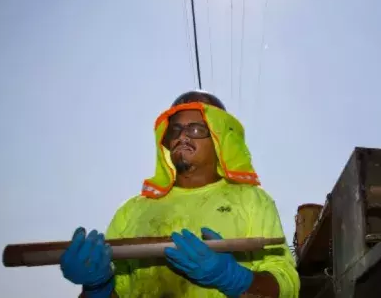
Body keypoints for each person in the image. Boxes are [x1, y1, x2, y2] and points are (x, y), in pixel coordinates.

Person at [59, 91, 300, 297]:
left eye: (196, 128)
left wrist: (234, 278)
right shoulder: (132, 210)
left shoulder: (252, 200)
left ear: (222, 138)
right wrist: (96, 285)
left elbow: (287, 284)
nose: (182, 137)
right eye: (175, 130)